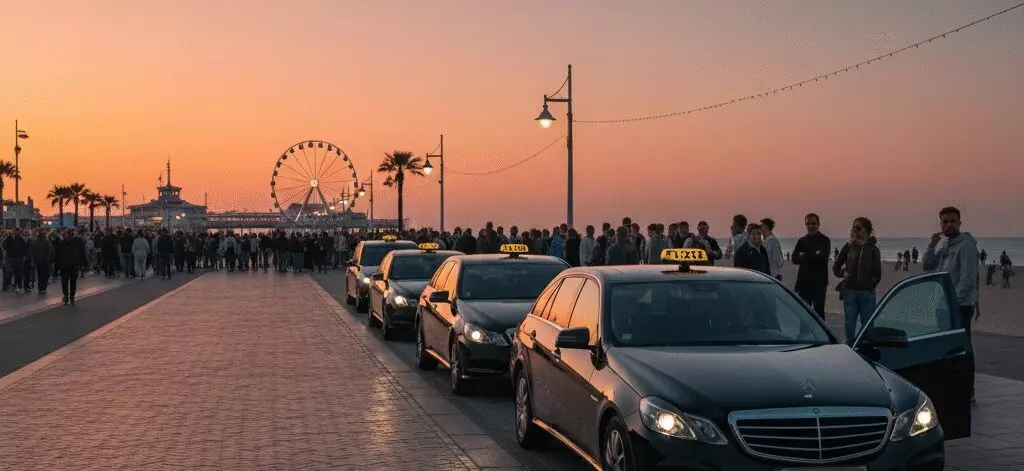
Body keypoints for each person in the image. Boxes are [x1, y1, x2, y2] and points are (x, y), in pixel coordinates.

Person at [833, 217, 882, 345]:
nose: (856, 231)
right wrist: (843, 273)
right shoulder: (848, 248)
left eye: (859, 228)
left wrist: (870, 285)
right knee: (849, 328)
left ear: (867, 231)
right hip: (850, 293)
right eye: (854, 228)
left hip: (867, 294)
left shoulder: (873, 250)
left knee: (867, 328)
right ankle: (850, 350)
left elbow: (878, 274)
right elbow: (836, 268)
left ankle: (866, 351)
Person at [791, 213, 831, 319]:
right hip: (803, 284)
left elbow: (823, 258)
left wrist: (804, 255)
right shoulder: (802, 241)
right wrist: (814, 254)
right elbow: (794, 259)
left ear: (818, 224)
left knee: (819, 315)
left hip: (819, 283)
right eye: (808, 224)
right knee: (803, 314)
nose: (810, 226)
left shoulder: (825, 240)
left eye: (813, 223)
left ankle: (820, 331)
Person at [57, 229, 88, 305]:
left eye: (70, 235)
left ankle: (70, 296)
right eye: (68, 234)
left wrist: (84, 263)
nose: (69, 236)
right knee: (67, 282)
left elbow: (82, 253)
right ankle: (68, 295)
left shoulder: (75, 243)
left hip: (72, 265)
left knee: (70, 282)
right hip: (67, 265)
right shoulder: (62, 243)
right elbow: (58, 255)